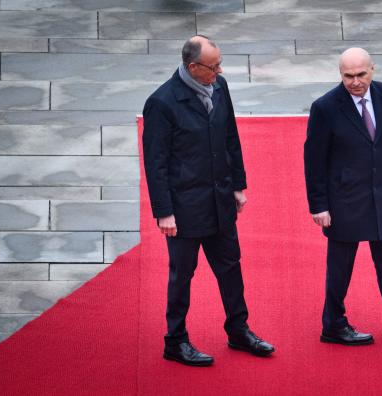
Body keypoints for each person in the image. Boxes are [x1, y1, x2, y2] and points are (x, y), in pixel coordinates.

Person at [142, 35, 274, 367]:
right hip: (185, 209)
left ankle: (238, 330)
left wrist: (238, 184)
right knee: (182, 275)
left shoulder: (220, 86)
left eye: (219, 64)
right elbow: (155, 163)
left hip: (220, 200)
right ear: (192, 67)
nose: (219, 70)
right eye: (213, 66)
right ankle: (175, 340)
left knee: (231, 267)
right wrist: (164, 212)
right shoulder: (162, 103)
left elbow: (230, 136)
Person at [304, 47, 382, 348]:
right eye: (348, 76)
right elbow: (313, 160)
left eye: (361, 74)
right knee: (340, 269)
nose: (355, 82)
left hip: (381, 195)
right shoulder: (325, 108)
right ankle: (332, 325)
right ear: (340, 74)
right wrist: (319, 205)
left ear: (372, 70)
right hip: (344, 201)